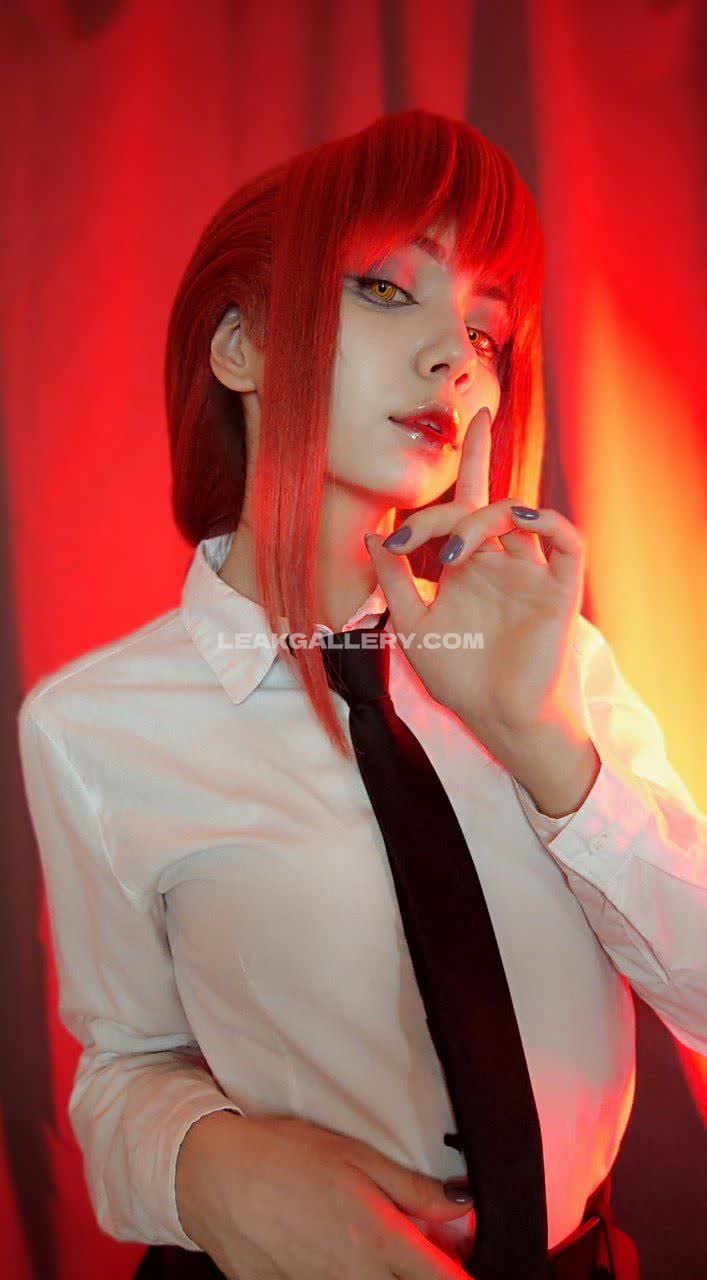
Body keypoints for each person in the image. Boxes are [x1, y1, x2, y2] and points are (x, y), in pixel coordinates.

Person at [17, 109, 706, 1280]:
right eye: (389, 289)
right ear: (240, 345)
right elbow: (122, 1063)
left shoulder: (557, 666)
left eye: (486, 329)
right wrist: (205, 1165)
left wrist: (542, 745)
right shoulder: (93, 726)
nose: (455, 357)